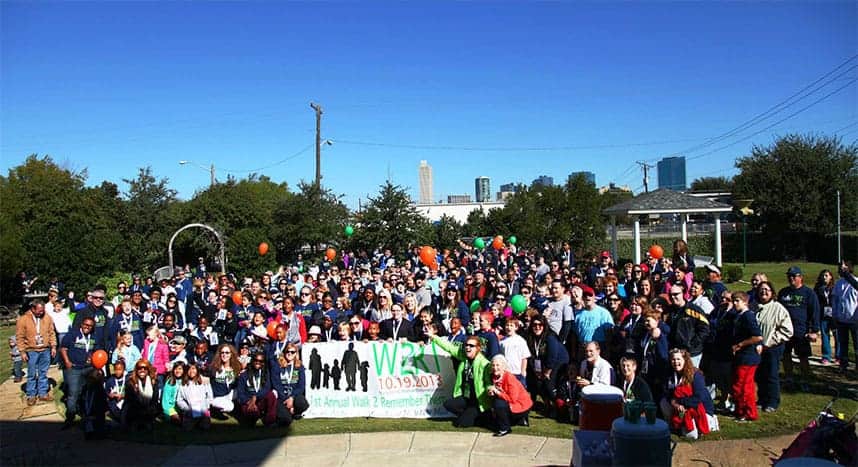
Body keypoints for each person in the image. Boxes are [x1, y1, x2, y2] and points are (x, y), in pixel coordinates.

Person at [429, 330, 492, 428]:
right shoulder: (464, 357)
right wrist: (433, 337)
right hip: (467, 398)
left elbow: (488, 382)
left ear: (478, 348)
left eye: (471, 346)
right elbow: (449, 347)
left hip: (478, 401)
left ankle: (480, 416)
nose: (467, 347)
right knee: (448, 404)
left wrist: (490, 389)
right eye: (466, 345)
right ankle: (470, 415)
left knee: (460, 424)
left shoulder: (484, 364)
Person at [661, 348, 718, 439]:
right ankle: (672, 424)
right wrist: (674, 402)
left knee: (691, 436)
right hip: (681, 406)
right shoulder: (670, 374)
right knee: (663, 402)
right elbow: (666, 392)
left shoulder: (696, 375)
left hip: (700, 409)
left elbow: (699, 398)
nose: (676, 362)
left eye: (678, 359)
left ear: (685, 360)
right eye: (673, 359)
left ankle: (710, 421)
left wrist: (679, 402)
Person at [778, 266, 820, 390]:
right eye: (789, 276)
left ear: (800, 277)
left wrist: (814, 330)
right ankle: (789, 378)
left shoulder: (808, 293)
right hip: (785, 330)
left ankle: (805, 380)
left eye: (794, 276)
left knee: (803, 356)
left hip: (801, 330)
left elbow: (815, 311)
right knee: (785, 355)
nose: (791, 278)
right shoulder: (783, 292)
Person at [754, 281, 793, 413]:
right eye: (761, 290)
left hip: (772, 348)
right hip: (757, 348)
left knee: (771, 375)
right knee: (759, 375)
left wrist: (771, 340)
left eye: (767, 290)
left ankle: (773, 401)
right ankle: (762, 399)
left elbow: (787, 330)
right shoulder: (754, 307)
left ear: (772, 293)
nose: (764, 292)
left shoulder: (778, 308)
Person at [16, 300, 57, 406]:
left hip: (45, 349)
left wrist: (53, 346)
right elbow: (19, 337)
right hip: (31, 350)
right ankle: (31, 395)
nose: (41, 313)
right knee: (32, 374)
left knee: (43, 372)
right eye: (39, 311)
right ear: (33, 309)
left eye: (42, 311)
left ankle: (43, 393)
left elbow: (51, 332)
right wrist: (22, 352)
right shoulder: (23, 319)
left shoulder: (47, 317)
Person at [527, 315, 569, 417]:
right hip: (542, 363)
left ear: (544, 326)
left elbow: (553, 355)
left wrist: (547, 371)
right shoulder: (531, 337)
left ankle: (559, 408)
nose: (537, 327)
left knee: (549, 385)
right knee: (538, 383)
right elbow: (532, 355)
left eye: (540, 325)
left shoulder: (550, 337)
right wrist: (536, 370)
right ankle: (547, 405)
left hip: (558, 363)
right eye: (534, 325)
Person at [729, 292, 762, 422]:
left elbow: (757, 336)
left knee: (743, 386)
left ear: (745, 302)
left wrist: (740, 344)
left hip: (748, 357)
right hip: (741, 356)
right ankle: (741, 410)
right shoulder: (738, 315)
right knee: (741, 385)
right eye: (734, 301)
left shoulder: (748, 316)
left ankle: (747, 413)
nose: (735, 304)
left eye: (737, 301)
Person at [60, 316, 97, 429]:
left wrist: (91, 357)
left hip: (88, 368)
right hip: (74, 368)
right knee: (73, 394)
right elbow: (63, 348)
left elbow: (94, 350)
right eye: (86, 324)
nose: (87, 327)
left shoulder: (93, 337)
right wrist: (67, 362)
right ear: (81, 324)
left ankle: (85, 413)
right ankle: (70, 417)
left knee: (87, 392)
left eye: (90, 326)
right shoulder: (72, 334)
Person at [487, 354, 533, 437]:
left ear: (504, 367)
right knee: (496, 402)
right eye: (493, 365)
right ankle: (519, 420)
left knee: (498, 404)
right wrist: (492, 392)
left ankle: (505, 428)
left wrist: (497, 392)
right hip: (510, 402)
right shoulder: (494, 376)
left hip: (522, 405)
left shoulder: (509, 378)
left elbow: (512, 399)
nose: (495, 367)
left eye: (498, 365)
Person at [666, 284, 709, 368]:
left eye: (676, 294)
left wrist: (691, 345)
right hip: (675, 353)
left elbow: (705, 329)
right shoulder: (669, 311)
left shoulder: (693, 310)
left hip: (691, 354)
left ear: (683, 293)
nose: (673, 297)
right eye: (670, 295)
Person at [236, 352, 279, 427]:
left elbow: (267, 389)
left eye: (261, 361)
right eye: (256, 360)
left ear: (263, 363)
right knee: (250, 420)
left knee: (271, 395)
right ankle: (255, 417)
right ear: (252, 361)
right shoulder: (244, 375)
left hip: (260, 400)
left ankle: (269, 421)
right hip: (248, 402)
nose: (258, 362)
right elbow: (240, 393)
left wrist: (255, 397)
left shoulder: (266, 374)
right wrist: (249, 401)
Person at [272, 343, 309, 425]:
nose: (290, 354)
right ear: (284, 353)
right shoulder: (277, 366)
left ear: (296, 353)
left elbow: (301, 386)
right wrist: (286, 398)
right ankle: (288, 413)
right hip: (282, 397)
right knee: (286, 420)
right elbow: (276, 385)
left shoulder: (299, 367)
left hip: (294, 396)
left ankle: (295, 412)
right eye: (287, 351)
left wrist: (291, 398)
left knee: (302, 403)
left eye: (292, 352)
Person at [832, 261, 858, 375]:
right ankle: (843, 364)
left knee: (857, 343)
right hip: (841, 318)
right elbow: (835, 300)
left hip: (854, 319)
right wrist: (835, 314)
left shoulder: (856, 281)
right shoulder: (839, 283)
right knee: (843, 343)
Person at [124, 359, 160, 430]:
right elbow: (130, 400)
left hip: (149, 408)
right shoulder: (130, 382)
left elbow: (154, 399)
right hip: (135, 409)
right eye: (139, 368)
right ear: (136, 370)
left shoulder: (154, 382)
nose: (142, 370)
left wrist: (149, 409)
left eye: (145, 368)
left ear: (148, 370)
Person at [176, 363, 213, 431]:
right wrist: (186, 408)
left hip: (203, 410)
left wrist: (206, 407)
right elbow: (179, 400)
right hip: (190, 411)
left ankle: (202, 421)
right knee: (187, 428)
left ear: (197, 370)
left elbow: (210, 397)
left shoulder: (204, 381)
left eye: (193, 368)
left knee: (205, 427)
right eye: (189, 369)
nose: (191, 371)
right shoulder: (183, 384)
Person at [815, 269, 839, 365]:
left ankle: (839, 356)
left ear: (831, 277)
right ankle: (826, 356)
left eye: (826, 275)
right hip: (823, 315)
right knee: (825, 335)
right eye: (823, 276)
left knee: (837, 336)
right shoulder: (818, 289)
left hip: (834, 315)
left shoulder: (835, 287)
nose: (824, 277)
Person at [210, 344, 241, 417]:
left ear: (231, 354)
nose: (224, 355)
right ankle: (212, 409)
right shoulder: (214, 368)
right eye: (222, 352)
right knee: (230, 407)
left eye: (227, 353)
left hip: (229, 395)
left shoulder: (235, 368)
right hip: (216, 397)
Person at [500, 317, 530, 387]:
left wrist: (523, 371)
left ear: (516, 327)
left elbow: (524, 357)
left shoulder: (520, 340)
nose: (509, 328)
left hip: (517, 372)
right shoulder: (502, 341)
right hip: (506, 372)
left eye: (511, 325)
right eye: (507, 325)